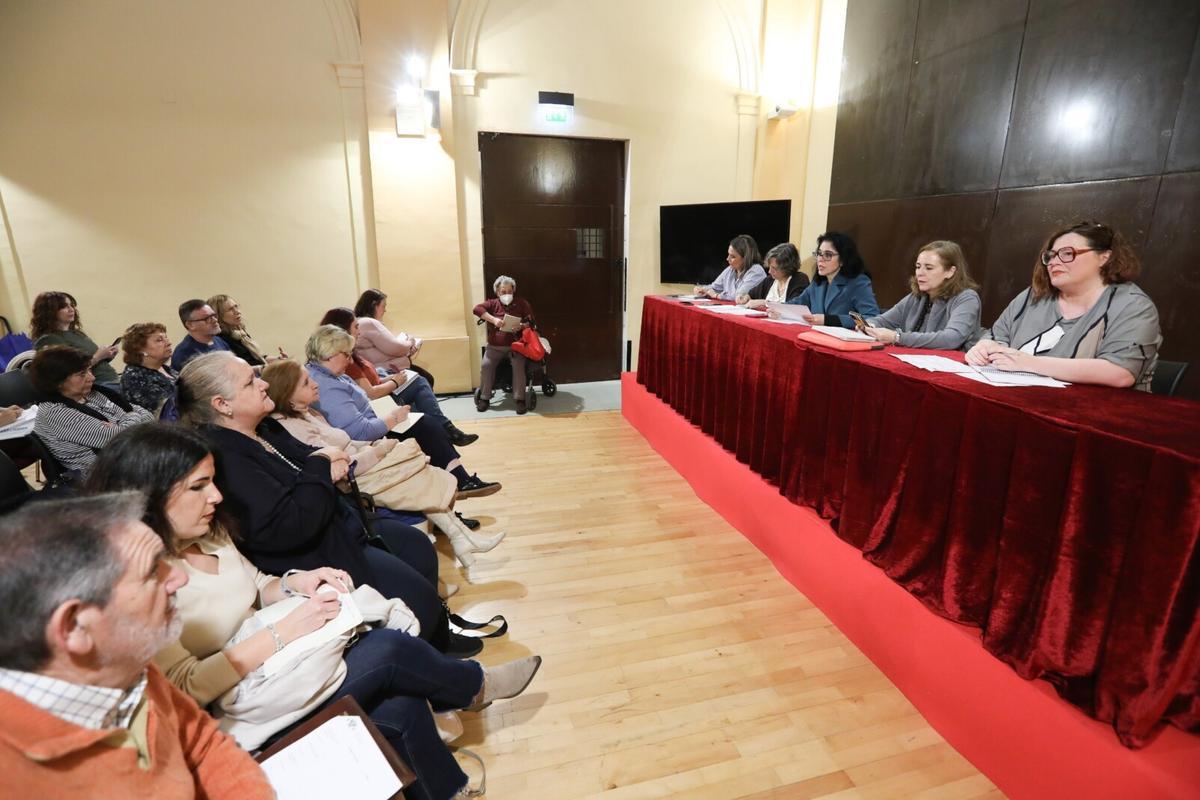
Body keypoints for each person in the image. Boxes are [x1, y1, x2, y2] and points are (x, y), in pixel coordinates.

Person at [84, 425, 540, 800]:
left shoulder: (205, 534)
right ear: (149, 495)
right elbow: (185, 690)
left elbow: (257, 586)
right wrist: (282, 634)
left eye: (213, 482)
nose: (218, 497)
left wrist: (296, 582)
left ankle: (448, 788)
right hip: (231, 717)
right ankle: (471, 688)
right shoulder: (139, 582)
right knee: (387, 651)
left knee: (398, 707)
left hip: (272, 672)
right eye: (199, 486)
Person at [0, 493, 273, 798]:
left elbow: (202, 745)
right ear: (74, 626)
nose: (179, 578)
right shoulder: (15, 776)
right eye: (153, 570)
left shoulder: (127, 666)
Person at [262, 359, 504, 567]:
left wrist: (373, 448)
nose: (315, 384)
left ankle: (460, 537)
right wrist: (377, 451)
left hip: (363, 462)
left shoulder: (309, 413)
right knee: (416, 464)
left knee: (417, 463)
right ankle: (460, 535)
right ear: (288, 392)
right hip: (353, 478)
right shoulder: (293, 427)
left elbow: (346, 443)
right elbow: (338, 461)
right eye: (306, 383)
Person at [305, 325, 499, 498]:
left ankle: (454, 486)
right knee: (427, 426)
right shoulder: (328, 385)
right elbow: (361, 431)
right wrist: (393, 418)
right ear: (329, 354)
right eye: (346, 355)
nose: (349, 360)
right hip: (365, 440)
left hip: (374, 422)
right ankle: (457, 483)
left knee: (425, 421)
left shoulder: (331, 375)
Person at [966, 221, 1161, 390]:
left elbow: (1120, 373)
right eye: (1050, 256)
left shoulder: (1132, 305)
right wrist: (985, 347)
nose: (1053, 262)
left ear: (1104, 257)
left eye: (1067, 253)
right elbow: (996, 337)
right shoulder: (1034, 295)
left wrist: (1030, 364)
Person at [320, 307, 478, 447]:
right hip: (378, 402)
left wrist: (392, 378)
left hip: (383, 386)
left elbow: (370, 380)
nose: (359, 331)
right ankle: (446, 431)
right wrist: (395, 381)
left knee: (419, 389)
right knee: (421, 385)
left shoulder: (353, 355)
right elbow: (371, 392)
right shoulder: (347, 361)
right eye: (355, 327)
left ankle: (443, 435)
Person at [30, 345, 155, 474]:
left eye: (89, 370)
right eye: (82, 374)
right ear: (58, 381)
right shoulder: (56, 412)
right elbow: (122, 439)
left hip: (131, 457)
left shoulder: (92, 393)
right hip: (105, 475)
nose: (92, 378)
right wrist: (130, 416)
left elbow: (148, 416)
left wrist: (126, 420)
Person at [862, 240, 981, 350]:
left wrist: (897, 337)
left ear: (950, 272)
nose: (920, 273)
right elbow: (883, 320)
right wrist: (869, 326)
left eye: (929, 268)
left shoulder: (967, 298)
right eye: (918, 267)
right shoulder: (917, 296)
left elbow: (951, 339)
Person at [784, 231, 880, 328]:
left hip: (843, 341)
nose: (820, 259)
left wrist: (829, 320)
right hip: (815, 336)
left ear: (843, 259)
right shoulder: (818, 282)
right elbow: (796, 304)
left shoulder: (858, 282)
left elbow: (871, 318)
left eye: (828, 255)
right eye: (819, 253)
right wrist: (775, 308)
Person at [29, 291, 121, 389]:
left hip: (112, 379)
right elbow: (70, 371)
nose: (71, 309)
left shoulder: (77, 334)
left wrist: (107, 355)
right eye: (64, 306)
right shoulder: (48, 340)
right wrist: (98, 356)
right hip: (98, 385)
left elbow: (94, 361)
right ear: (49, 311)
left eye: (71, 305)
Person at [473, 275, 535, 414]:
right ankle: (485, 398)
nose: (507, 294)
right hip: (495, 346)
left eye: (509, 291)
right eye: (503, 291)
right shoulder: (493, 303)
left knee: (518, 366)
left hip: (516, 345)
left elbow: (531, 321)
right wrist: (494, 320)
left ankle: (520, 399)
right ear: (497, 292)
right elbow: (477, 309)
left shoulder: (521, 303)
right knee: (486, 365)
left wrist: (522, 326)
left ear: (513, 291)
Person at [353, 288, 435, 386]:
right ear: (374, 306)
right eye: (383, 306)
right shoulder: (369, 323)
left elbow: (387, 348)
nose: (385, 310)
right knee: (425, 380)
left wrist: (407, 351)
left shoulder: (361, 322)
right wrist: (410, 341)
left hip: (381, 368)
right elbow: (396, 348)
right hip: (385, 370)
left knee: (426, 378)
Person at [120, 322, 180, 419]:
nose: (169, 343)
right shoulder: (135, 378)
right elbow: (165, 410)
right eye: (159, 340)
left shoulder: (165, 368)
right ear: (140, 349)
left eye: (166, 338)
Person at [208, 294, 286, 368]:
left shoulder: (240, 333)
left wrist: (278, 359)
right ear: (218, 315)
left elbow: (258, 358)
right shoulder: (220, 339)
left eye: (236, 307)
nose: (238, 312)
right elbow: (240, 368)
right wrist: (266, 368)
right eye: (230, 309)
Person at [694, 234, 767, 301]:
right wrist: (702, 289)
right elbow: (714, 287)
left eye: (732, 256)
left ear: (745, 258)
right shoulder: (730, 269)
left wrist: (717, 296)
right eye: (728, 254)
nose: (727, 259)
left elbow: (739, 297)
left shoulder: (756, 271)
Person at [737, 243, 809, 307]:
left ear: (787, 267)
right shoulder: (770, 280)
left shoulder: (800, 280)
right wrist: (745, 297)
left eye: (774, 268)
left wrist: (764, 302)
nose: (769, 271)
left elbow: (794, 306)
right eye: (770, 267)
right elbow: (752, 295)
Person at [171, 299, 231, 372]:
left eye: (214, 315)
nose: (215, 320)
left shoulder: (219, 341)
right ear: (190, 325)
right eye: (207, 318)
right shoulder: (185, 354)